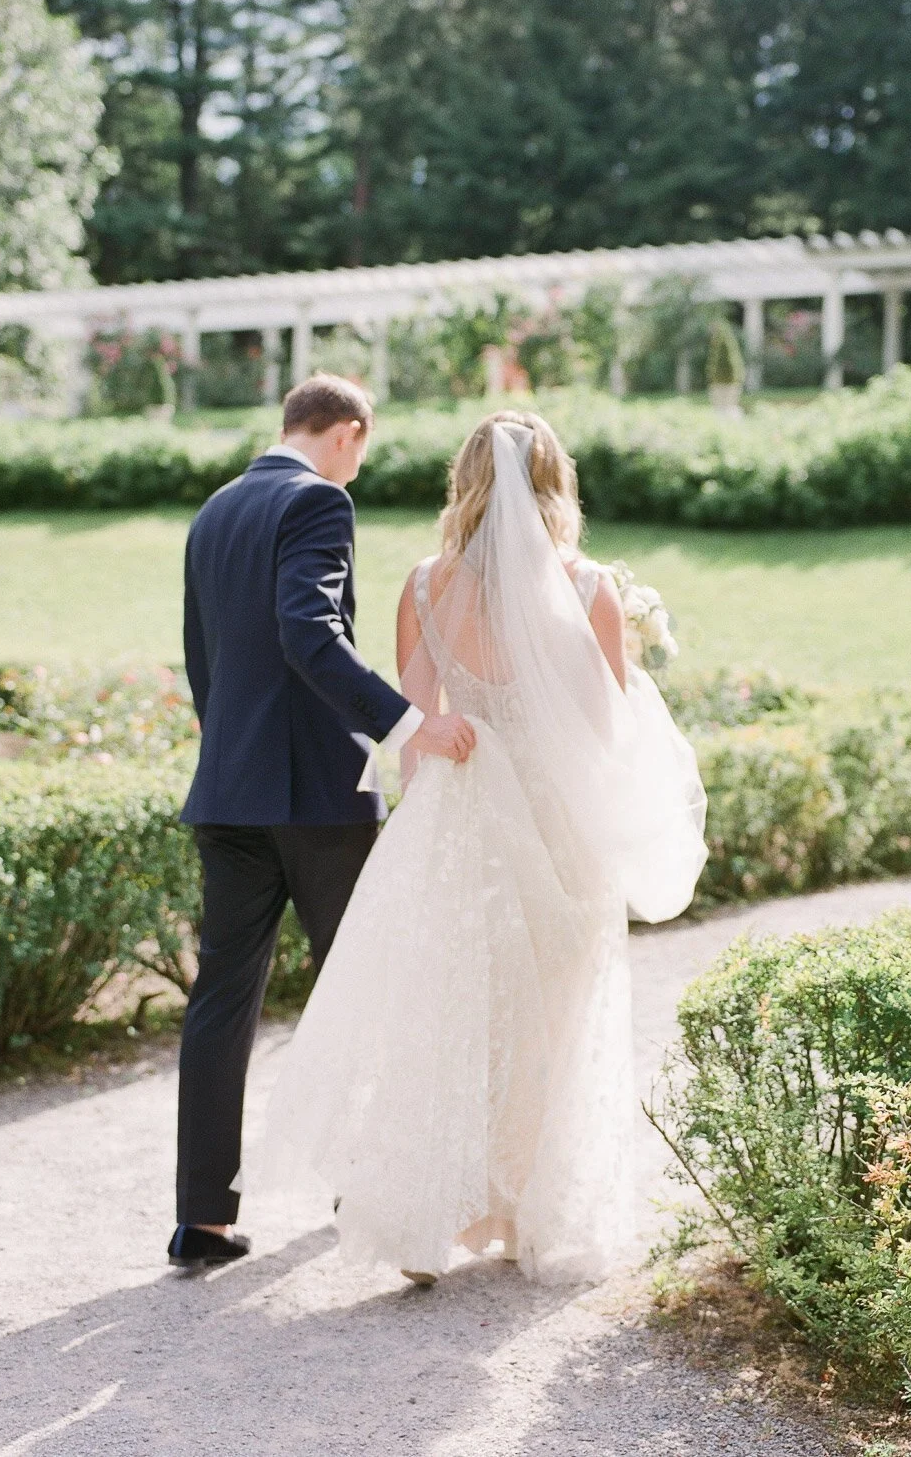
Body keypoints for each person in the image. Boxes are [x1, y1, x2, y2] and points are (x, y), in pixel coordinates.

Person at [259, 410, 707, 1285]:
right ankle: (521, 1216)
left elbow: (419, 724)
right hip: (556, 829)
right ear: (554, 485)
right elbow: (602, 733)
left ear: (464, 484)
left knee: (446, 1016)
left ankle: (424, 1223)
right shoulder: (586, 589)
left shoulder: (424, 587)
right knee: (550, 1025)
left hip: (458, 825)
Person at [168, 374, 476, 1269]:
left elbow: (201, 658)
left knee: (221, 1000)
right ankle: (368, 1194)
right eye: (361, 453)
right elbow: (309, 632)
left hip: (228, 792)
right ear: (346, 432)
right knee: (362, 991)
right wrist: (412, 724)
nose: (356, 469)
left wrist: (231, 751)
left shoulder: (216, 509)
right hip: (314, 797)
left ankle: (201, 1221)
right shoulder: (317, 503)